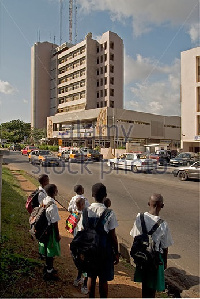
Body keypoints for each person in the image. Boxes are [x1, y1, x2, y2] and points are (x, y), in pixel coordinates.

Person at [80, 183, 119, 298]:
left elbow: (82, 231)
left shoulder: (86, 211)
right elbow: (113, 236)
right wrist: (116, 253)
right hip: (104, 251)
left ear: (92, 195)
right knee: (103, 279)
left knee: (91, 276)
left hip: (89, 250)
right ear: (105, 195)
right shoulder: (109, 213)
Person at [130, 193, 173, 298]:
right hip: (155, 258)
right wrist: (165, 262)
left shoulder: (139, 217)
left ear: (148, 203)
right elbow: (165, 246)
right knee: (152, 286)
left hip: (142, 256)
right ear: (162, 206)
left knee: (145, 284)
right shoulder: (163, 224)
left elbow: (134, 236)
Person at [39, 184, 61, 281]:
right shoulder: (53, 206)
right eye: (56, 190)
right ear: (54, 192)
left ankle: (48, 267)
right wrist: (57, 235)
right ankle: (49, 271)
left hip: (43, 229)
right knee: (50, 251)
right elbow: (54, 223)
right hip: (50, 231)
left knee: (46, 249)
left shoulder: (44, 200)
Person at [72, 197, 89, 295]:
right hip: (83, 244)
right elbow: (83, 230)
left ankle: (78, 278)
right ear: (82, 205)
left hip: (76, 243)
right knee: (86, 264)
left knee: (79, 262)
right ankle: (85, 285)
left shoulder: (75, 213)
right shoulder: (84, 215)